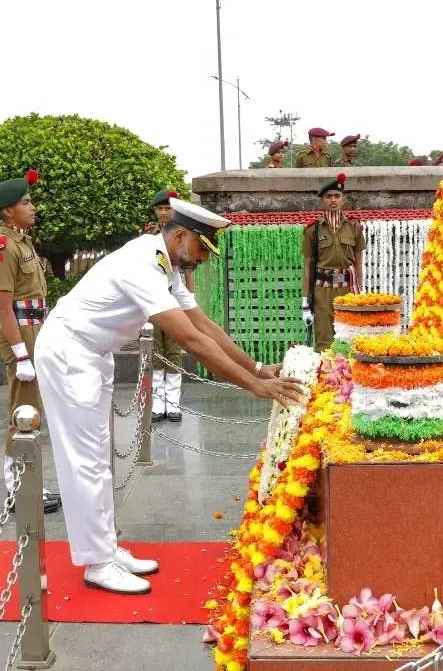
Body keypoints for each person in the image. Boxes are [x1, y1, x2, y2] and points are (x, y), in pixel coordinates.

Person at [34, 196, 305, 594]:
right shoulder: (141, 262)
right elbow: (190, 339)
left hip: (91, 354)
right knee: (85, 461)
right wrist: (255, 386)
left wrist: (255, 367)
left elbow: (202, 323)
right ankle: (96, 563)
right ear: (179, 235)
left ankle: (105, 548)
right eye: (201, 249)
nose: (204, 259)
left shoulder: (165, 262)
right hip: (70, 352)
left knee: (99, 458)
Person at [0, 170, 62, 515]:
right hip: (21, 333)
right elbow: (4, 307)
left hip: (35, 328)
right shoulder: (3, 248)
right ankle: (17, 487)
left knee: (33, 411)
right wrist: (21, 355)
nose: (33, 207)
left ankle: (31, 482)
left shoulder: (22, 242)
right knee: (23, 411)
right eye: (26, 203)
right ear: (7, 212)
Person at [301, 173, 365, 352]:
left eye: (337, 196)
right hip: (323, 291)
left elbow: (358, 263)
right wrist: (305, 303)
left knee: (350, 338)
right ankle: (325, 379)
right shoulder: (312, 230)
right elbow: (307, 268)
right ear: (322, 201)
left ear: (343, 200)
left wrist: (360, 294)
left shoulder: (354, 227)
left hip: (348, 289)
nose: (333, 200)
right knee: (324, 341)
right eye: (328, 196)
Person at [144, 190, 192, 422]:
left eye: (168, 209)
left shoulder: (181, 235)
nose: (164, 213)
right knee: (155, 351)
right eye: (160, 209)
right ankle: (158, 404)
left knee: (173, 352)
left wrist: (191, 296)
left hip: (173, 299)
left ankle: (173, 403)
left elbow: (188, 267)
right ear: (155, 211)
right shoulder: (147, 236)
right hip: (152, 301)